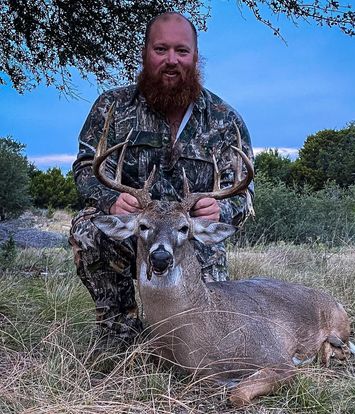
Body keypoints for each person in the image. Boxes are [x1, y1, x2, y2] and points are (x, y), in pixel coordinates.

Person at [69, 12, 254, 346]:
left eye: (182, 51)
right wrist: (110, 199)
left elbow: (243, 193)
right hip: (134, 231)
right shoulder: (112, 107)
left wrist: (220, 211)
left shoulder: (225, 120)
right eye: (161, 49)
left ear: (196, 58)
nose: (172, 60)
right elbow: (85, 168)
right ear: (145, 53)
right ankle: (119, 331)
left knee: (212, 337)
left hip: (191, 241)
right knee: (87, 229)